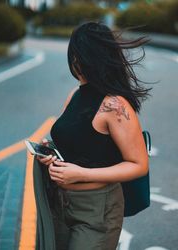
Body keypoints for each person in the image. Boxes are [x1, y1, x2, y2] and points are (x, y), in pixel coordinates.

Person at [37, 21, 151, 250]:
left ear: (88, 58)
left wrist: (81, 173)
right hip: (60, 205)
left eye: (77, 55)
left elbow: (139, 165)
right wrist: (50, 152)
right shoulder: (75, 95)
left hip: (97, 210)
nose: (74, 62)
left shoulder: (115, 105)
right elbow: (75, 141)